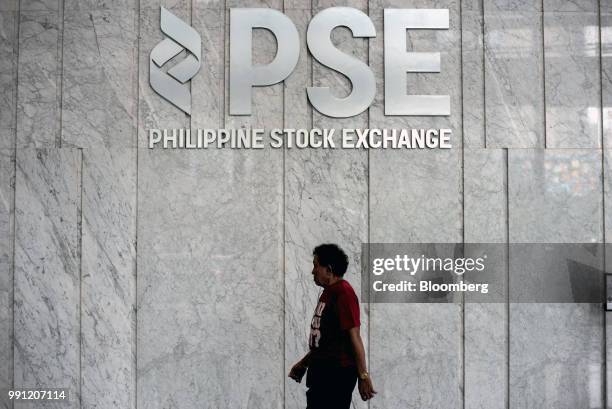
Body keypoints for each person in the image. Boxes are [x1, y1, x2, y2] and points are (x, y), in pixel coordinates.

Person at [288, 244, 376, 408]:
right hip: (322, 374)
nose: (313, 271)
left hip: (335, 376)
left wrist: (363, 376)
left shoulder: (344, 294)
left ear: (328, 269)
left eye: (316, 266)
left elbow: (354, 336)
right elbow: (327, 341)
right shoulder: (329, 292)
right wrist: (304, 363)